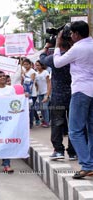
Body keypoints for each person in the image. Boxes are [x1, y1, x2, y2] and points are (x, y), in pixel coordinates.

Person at [53, 21, 93, 179]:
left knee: (75, 131)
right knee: (91, 129)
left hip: (81, 90)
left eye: (71, 33)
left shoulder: (78, 48)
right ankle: (91, 163)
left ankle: (87, 165)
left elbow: (57, 63)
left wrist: (57, 46)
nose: (70, 36)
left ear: (76, 34)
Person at [40, 37, 77, 162]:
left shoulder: (55, 58)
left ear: (58, 44)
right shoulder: (75, 56)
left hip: (58, 96)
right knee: (74, 124)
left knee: (57, 123)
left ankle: (58, 150)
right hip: (74, 94)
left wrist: (47, 46)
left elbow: (42, 59)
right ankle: (73, 152)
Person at [0, 71, 16, 173]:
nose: (2, 78)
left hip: (8, 119)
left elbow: (16, 101)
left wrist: (24, 97)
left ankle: (6, 164)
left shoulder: (11, 89)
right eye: (0, 76)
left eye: (4, 76)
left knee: (6, 141)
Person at [21, 58, 37, 129]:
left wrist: (25, 75)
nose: (25, 66)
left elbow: (31, 81)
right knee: (27, 108)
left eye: (27, 64)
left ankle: (31, 123)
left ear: (30, 64)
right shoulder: (23, 71)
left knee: (31, 108)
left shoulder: (32, 71)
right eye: (24, 64)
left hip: (32, 93)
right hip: (25, 93)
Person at [34, 60, 51, 128]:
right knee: (41, 108)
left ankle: (47, 122)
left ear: (42, 65)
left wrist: (47, 94)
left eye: (38, 65)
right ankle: (44, 121)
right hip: (39, 93)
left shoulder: (45, 72)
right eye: (36, 65)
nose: (37, 66)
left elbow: (49, 83)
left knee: (45, 107)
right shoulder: (36, 73)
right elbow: (36, 85)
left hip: (45, 92)